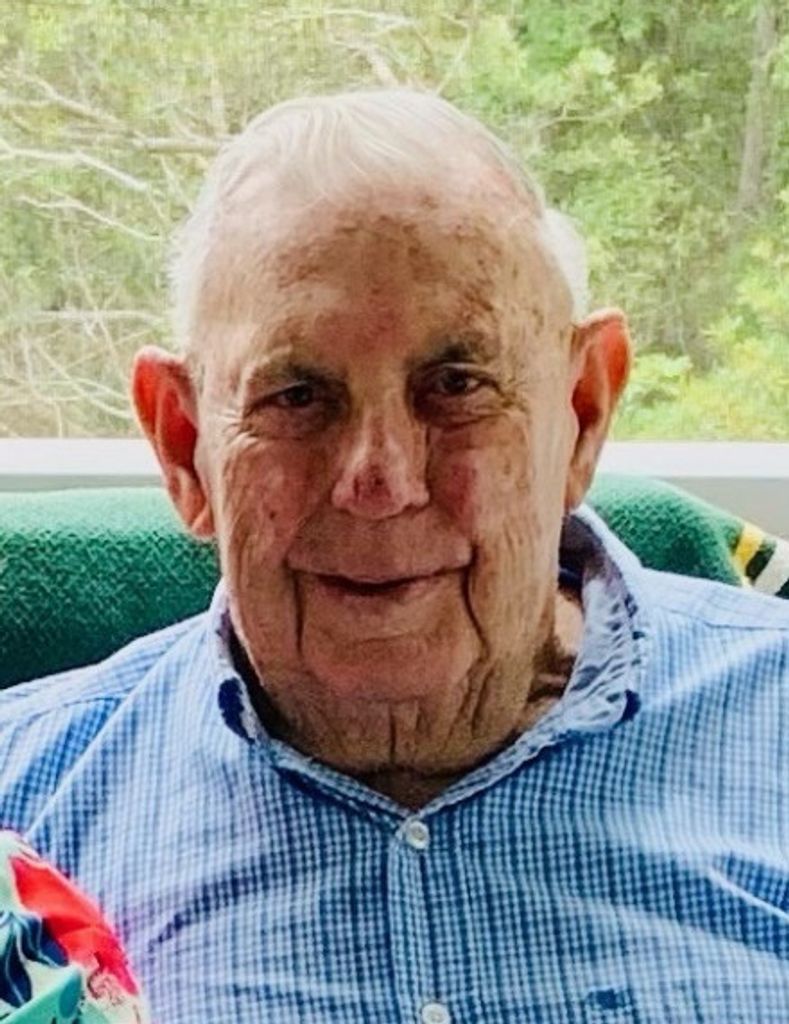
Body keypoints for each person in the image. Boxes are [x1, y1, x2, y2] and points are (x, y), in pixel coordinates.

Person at [1, 89, 787, 1023]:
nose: (379, 481)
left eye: (455, 386)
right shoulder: (20, 805)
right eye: (297, 397)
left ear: (580, 413)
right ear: (183, 443)